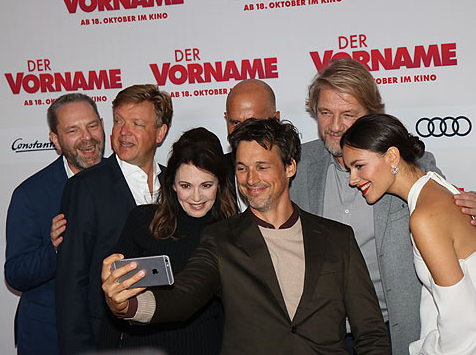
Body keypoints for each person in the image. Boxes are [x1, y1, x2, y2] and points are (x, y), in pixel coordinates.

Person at [102, 118, 391, 354]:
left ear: (289, 166)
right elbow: (181, 298)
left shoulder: (337, 238)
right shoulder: (221, 239)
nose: (251, 179)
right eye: (242, 168)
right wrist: (127, 305)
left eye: (262, 167)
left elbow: (371, 332)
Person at [290, 58, 476, 355]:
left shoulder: (404, 163)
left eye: (348, 114)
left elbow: (452, 212)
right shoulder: (297, 165)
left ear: (371, 115)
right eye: (325, 112)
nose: (335, 126)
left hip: (392, 331)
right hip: (325, 335)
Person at [341, 113, 476, 354]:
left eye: (359, 166)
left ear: (392, 156)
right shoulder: (435, 187)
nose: (353, 180)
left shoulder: (424, 217)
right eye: (349, 169)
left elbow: (463, 328)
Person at [55, 84, 172, 354]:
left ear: (160, 133)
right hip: (109, 339)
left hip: (168, 336)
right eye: (119, 121)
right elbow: (72, 281)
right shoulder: (85, 187)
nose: (123, 132)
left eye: (136, 124)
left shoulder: (177, 184)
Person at [98, 127, 236, 353]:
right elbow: (113, 302)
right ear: (172, 184)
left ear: (220, 183)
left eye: (206, 185)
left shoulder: (232, 232)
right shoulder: (142, 221)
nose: (196, 197)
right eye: (186, 186)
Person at [5, 93, 105, 354]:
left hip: (109, 332)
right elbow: (15, 273)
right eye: (73, 130)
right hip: (49, 336)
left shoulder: (125, 180)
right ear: (55, 140)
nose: (87, 137)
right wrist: (55, 249)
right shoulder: (30, 194)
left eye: (92, 125)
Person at [224, 79, 280, 210]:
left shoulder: (301, 172)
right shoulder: (212, 173)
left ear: (276, 120)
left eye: (253, 123)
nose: (243, 132)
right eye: (236, 123)